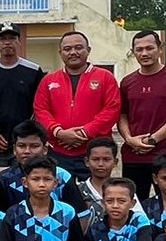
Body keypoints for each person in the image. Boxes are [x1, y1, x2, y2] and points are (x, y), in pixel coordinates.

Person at [33, 32, 121, 180]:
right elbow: (40, 110)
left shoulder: (105, 77)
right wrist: (59, 132)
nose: (73, 52)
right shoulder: (49, 80)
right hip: (58, 151)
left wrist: (84, 133)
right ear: (60, 53)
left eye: (78, 47)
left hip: (95, 153)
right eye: (67, 49)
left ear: (88, 50)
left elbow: (112, 109)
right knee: (59, 190)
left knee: (96, 192)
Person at [117, 30, 166, 200]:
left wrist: (153, 139)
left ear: (160, 49)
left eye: (149, 48)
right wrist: (129, 139)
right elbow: (122, 115)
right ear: (133, 52)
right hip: (133, 155)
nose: (144, 53)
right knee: (134, 204)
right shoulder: (127, 82)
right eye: (139, 49)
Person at [0, 120, 86, 217]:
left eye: (34, 146)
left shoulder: (62, 176)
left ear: (45, 149)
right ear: (14, 149)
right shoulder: (3, 180)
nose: (27, 151)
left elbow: (81, 216)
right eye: (21, 146)